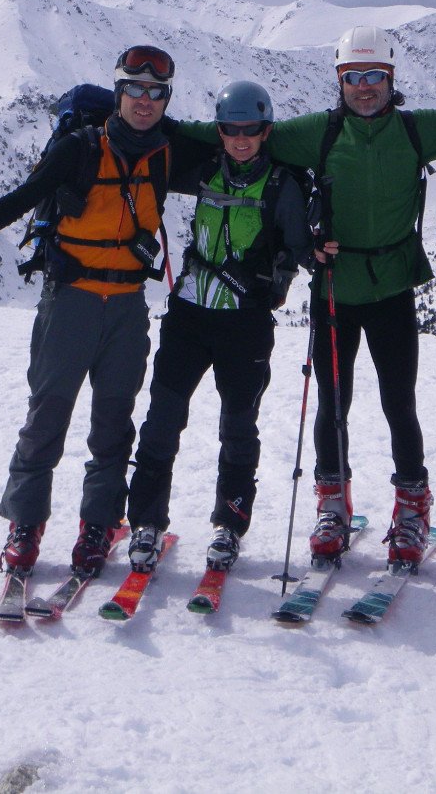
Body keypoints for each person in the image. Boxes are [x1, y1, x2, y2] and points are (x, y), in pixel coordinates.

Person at [177, 26, 436, 569]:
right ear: (340, 80)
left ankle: (412, 504)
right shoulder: (317, 134)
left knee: (400, 402)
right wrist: (147, 123)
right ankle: (332, 502)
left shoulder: (418, 130)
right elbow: (236, 131)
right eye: (353, 77)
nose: (364, 87)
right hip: (333, 290)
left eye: (374, 76)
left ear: (392, 78)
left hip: (392, 287)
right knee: (332, 403)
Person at [0, 45, 182, 579]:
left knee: (114, 424)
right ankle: (24, 525)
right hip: (70, 303)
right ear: (118, 92)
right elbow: (20, 200)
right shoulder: (81, 149)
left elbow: (240, 153)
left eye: (156, 93)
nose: (145, 101)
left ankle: (98, 524)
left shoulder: (169, 150)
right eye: (135, 89)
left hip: (129, 306)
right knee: (47, 417)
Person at [124, 81, 312, 573]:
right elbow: (153, 158)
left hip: (245, 323)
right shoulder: (204, 169)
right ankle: (146, 520)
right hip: (189, 315)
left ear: (266, 131)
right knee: (163, 418)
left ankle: (229, 525)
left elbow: (299, 246)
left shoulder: (281, 185)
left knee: (238, 426)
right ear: (220, 132)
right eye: (231, 130)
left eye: (251, 130)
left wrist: (281, 274)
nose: (241, 139)